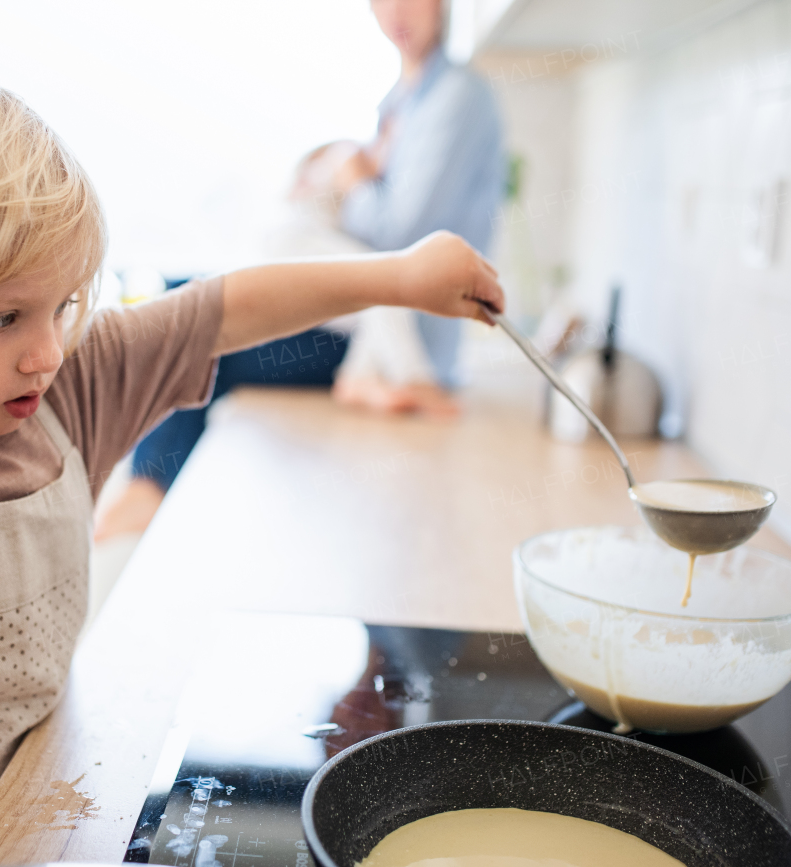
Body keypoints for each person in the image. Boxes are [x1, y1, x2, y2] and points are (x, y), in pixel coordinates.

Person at [0, 63, 503, 867]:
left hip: (40, 812)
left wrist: (397, 277)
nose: (46, 349)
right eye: (3, 317)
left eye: (62, 305)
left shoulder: (67, 391)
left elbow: (223, 307)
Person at [96, 0, 504, 539]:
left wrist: (353, 178)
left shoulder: (457, 97)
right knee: (185, 301)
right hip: (364, 333)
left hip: (403, 348)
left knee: (201, 341)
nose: (397, 10)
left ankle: (146, 490)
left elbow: (406, 245)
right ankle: (142, 486)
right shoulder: (400, 103)